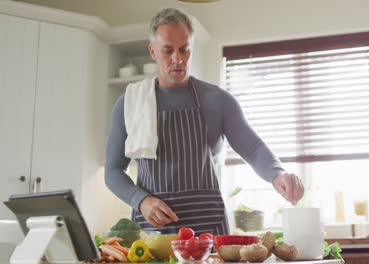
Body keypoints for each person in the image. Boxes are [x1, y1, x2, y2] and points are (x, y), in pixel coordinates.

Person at [105, 8, 304, 235]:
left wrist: (278, 174)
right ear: (153, 51)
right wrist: (140, 200)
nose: (177, 59)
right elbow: (112, 170)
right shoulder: (130, 103)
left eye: (184, 50)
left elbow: (254, 148)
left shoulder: (217, 100)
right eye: (167, 50)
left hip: (209, 231)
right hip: (154, 232)